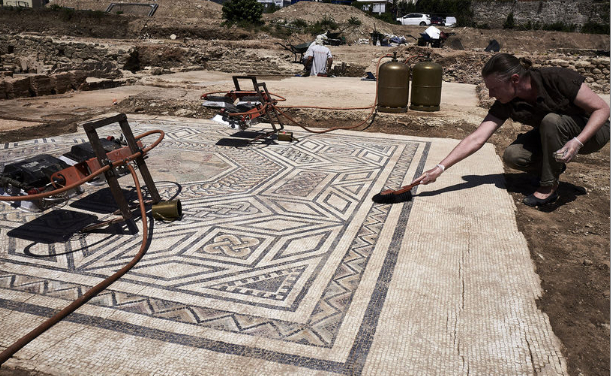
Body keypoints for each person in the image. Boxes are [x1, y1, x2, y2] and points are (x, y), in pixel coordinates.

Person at [416, 53, 610, 206]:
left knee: (552, 121)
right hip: (554, 134)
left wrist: (577, 141)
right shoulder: (507, 101)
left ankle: (548, 186)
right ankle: (552, 167)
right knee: (513, 155)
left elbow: (602, 109)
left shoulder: (556, 78)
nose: (491, 94)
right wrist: (439, 169)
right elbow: (477, 137)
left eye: (494, 88)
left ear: (515, 79)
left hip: (593, 131)